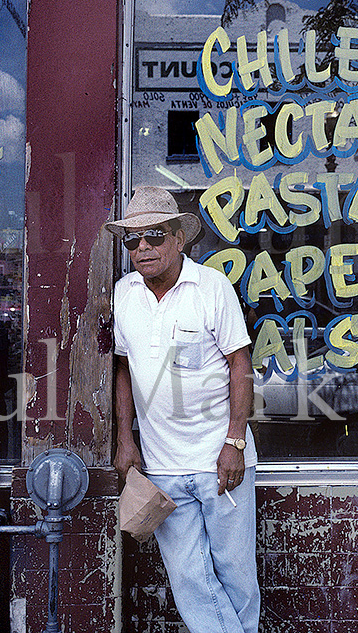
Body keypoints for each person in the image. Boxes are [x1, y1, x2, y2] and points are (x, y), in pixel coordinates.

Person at [109, 186, 260, 633]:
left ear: (179, 239)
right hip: (162, 464)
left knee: (235, 575)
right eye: (132, 240)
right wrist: (125, 439)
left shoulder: (211, 287)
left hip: (221, 462)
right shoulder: (123, 294)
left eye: (154, 236)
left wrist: (234, 441)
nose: (142, 248)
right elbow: (123, 370)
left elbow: (240, 364)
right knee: (189, 579)